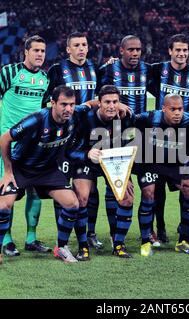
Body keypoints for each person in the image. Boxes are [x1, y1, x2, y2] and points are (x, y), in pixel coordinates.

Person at [0, 86, 86, 268]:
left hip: (48, 170)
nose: (68, 109)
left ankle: (61, 247)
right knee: (4, 205)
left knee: (72, 204)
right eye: (63, 104)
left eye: (72, 105)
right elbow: (6, 138)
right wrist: (8, 171)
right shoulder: (37, 120)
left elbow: (90, 105)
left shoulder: (74, 115)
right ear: (53, 103)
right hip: (21, 168)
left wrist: (117, 107)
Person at [0, 35, 50, 257]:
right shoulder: (9, 72)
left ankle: (31, 238)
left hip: (36, 145)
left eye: (43, 51)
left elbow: (43, 111)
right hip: (11, 145)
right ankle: (8, 240)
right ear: (26, 52)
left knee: (35, 191)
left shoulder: (45, 79)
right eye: (36, 50)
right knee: (8, 192)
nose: (40, 54)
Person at [132, 94, 189, 257]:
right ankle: (145, 241)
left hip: (176, 162)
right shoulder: (150, 117)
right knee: (148, 193)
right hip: (151, 162)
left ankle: (183, 240)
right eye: (173, 109)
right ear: (164, 108)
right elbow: (127, 119)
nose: (177, 113)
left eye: (180, 109)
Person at [44, 31, 104, 251]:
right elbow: (48, 103)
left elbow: (103, 95)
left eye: (84, 45)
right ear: (68, 49)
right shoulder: (57, 70)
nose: (81, 48)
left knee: (90, 188)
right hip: (63, 138)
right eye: (76, 45)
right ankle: (64, 238)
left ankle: (90, 233)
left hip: (89, 136)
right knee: (62, 187)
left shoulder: (95, 68)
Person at [67, 85, 136, 258]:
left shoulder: (126, 117)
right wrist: (86, 153)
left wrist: (127, 171)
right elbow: (70, 149)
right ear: (99, 103)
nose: (112, 106)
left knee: (127, 197)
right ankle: (83, 246)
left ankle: (118, 244)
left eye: (115, 102)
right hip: (88, 161)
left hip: (114, 161)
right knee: (81, 196)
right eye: (107, 102)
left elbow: (131, 144)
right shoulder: (84, 118)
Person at [97, 35, 152, 247]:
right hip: (116, 135)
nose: (135, 53)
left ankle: (150, 233)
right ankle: (113, 234)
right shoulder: (108, 71)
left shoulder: (149, 70)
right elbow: (99, 96)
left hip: (142, 136)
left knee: (149, 186)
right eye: (131, 49)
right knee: (116, 187)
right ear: (121, 50)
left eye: (138, 49)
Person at [149, 34, 189, 246]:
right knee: (157, 187)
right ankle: (159, 228)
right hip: (159, 134)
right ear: (170, 51)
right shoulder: (156, 69)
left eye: (185, 50)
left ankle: (184, 230)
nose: (181, 54)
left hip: (185, 136)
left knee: (187, 183)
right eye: (177, 50)